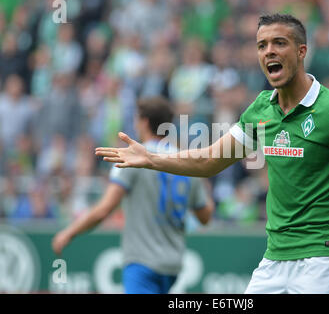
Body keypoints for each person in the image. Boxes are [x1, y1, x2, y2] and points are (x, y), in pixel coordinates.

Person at [95, 14, 329, 294]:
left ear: (302, 51)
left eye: (279, 43)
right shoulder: (261, 108)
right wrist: (151, 159)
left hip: (323, 257)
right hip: (275, 258)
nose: (269, 52)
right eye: (262, 45)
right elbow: (211, 160)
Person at [52, 97, 214, 294]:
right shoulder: (186, 161)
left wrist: (69, 232)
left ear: (144, 122)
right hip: (173, 264)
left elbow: (104, 209)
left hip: (142, 261)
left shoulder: (135, 159)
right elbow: (205, 217)